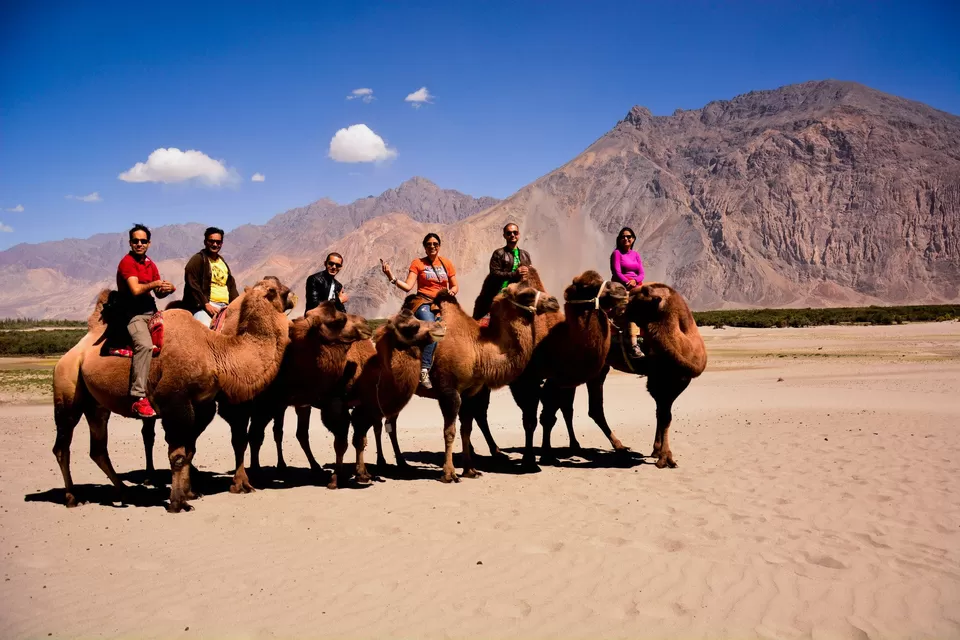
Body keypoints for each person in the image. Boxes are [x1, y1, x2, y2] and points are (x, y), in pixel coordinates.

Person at [380, 233, 458, 389]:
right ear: (424, 246)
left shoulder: (447, 263)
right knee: (432, 329)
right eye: (428, 244)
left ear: (439, 246)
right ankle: (424, 369)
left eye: (435, 243)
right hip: (424, 302)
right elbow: (408, 286)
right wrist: (391, 276)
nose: (432, 246)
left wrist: (453, 291)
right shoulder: (418, 263)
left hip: (442, 303)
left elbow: (455, 285)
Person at [117, 224, 176, 418]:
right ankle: (138, 397)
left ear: (149, 243)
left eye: (143, 241)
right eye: (136, 241)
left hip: (152, 311)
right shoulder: (127, 262)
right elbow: (135, 289)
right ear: (130, 243)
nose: (139, 244)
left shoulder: (150, 263)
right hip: (133, 314)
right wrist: (154, 284)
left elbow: (158, 294)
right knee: (144, 345)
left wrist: (167, 288)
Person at [182, 226, 239, 324]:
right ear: (205, 242)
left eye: (218, 242)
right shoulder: (198, 259)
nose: (215, 244)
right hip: (205, 307)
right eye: (211, 241)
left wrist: (237, 305)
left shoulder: (222, 262)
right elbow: (192, 283)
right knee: (204, 331)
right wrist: (206, 304)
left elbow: (230, 285)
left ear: (222, 244)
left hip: (225, 306)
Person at [610, 226, 646, 358]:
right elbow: (616, 272)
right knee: (631, 308)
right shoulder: (616, 254)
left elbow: (641, 273)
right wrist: (627, 282)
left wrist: (635, 281)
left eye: (629, 237)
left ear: (633, 239)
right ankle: (633, 344)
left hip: (636, 285)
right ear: (619, 239)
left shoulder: (636, 255)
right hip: (621, 286)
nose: (626, 238)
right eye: (623, 237)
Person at [490, 223, 532, 291]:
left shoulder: (525, 255)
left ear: (519, 234)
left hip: (523, 290)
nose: (512, 235)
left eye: (515, 232)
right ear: (504, 236)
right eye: (509, 233)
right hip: (504, 290)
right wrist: (515, 274)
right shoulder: (499, 253)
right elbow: (494, 274)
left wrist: (529, 271)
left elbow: (530, 273)